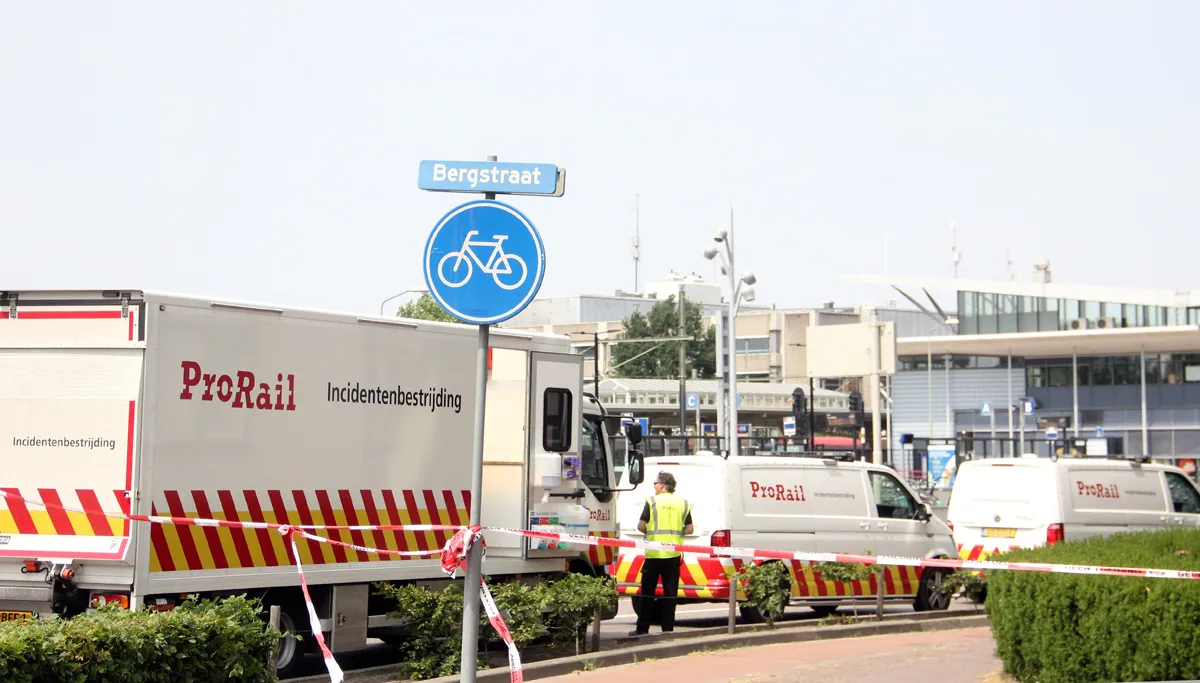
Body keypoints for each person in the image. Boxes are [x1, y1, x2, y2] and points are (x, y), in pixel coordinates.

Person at [629, 471, 693, 636]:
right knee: (670, 594)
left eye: (655, 483)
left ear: (662, 485)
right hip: (673, 554)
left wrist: (650, 533)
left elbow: (641, 526)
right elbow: (690, 529)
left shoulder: (652, 501)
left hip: (654, 553)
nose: (654, 486)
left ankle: (642, 629)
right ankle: (668, 629)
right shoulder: (683, 503)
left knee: (647, 592)